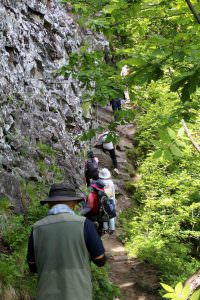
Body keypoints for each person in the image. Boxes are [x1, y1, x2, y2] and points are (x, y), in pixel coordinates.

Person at [27, 183, 106, 300]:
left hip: (46, 294)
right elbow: (100, 260)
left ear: (49, 204)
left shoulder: (37, 228)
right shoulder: (85, 225)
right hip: (78, 293)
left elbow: (32, 266)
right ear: (73, 204)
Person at [99, 168, 116, 234]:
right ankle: (112, 228)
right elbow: (112, 193)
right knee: (111, 213)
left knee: (104, 214)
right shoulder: (110, 182)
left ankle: (105, 229)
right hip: (110, 199)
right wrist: (113, 202)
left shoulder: (100, 182)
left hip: (102, 200)